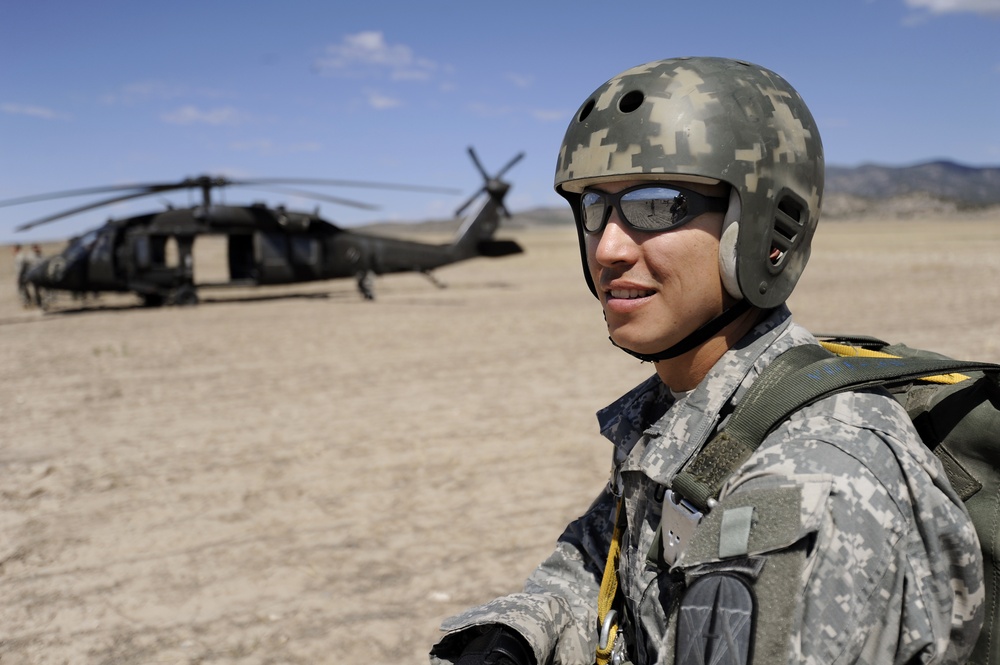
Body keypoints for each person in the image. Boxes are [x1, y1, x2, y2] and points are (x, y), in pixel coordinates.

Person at [430, 57, 984, 665]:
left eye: (657, 204)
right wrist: (511, 638)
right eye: (593, 208)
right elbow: (603, 561)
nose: (608, 247)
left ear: (768, 229)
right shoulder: (684, 416)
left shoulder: (807, 482)